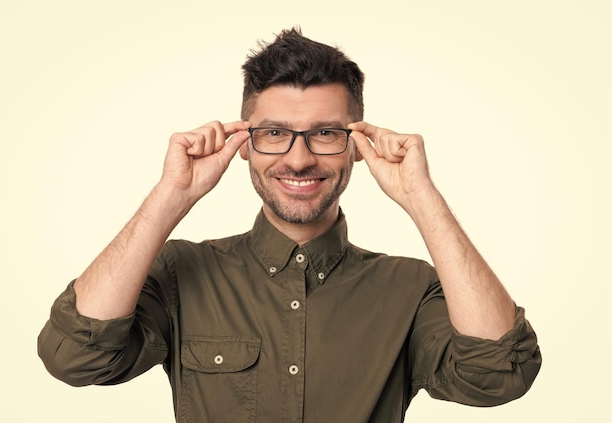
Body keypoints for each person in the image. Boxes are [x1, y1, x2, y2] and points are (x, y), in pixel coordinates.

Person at [38, 28, 541, 422]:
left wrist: (422, 198)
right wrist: (173, 195)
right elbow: (75, 358)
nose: (299, 160)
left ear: (358, 144)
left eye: (325, 133)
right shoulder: (179, 272)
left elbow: (499, 376)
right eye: (275, 132)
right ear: (244, 142)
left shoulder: (412, 288)